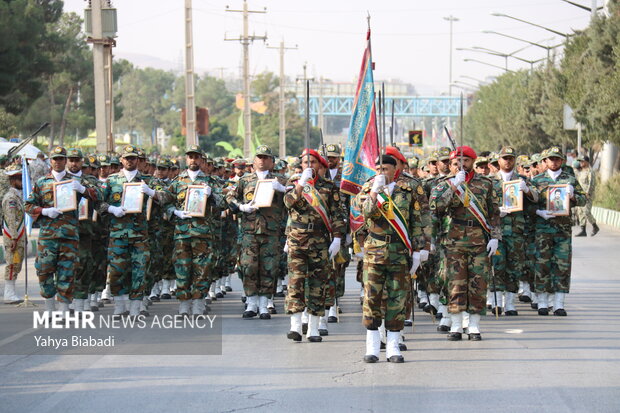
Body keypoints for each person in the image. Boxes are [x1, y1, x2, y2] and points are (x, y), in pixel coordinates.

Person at [355, 155, 426, 363]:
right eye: (378, 168)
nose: (382, 172)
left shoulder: (409, 189)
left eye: (385, 168)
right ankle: (373, 346)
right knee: (371, 299)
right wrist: (375, 190)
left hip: (399, 250)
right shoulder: (369, 187)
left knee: (397, 298)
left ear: (396, 169)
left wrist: (418, 250)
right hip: (374, 250)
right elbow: (365, 213)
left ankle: (394, 345)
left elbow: (417, 221)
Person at [430, 146, 501, 341]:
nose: (461, 165)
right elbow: (436, 207)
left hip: (479, 240)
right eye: (456, 163)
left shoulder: (486, 184)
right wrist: (454, 185)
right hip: (453, 242)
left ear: (473, 162)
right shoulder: (442, 184)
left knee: (478, 283)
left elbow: (494, 213)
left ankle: (474, 325)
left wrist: (495, 237)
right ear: (451, 165)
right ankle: (455, 324)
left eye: (466, 161)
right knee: (455, 284)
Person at [25, 146, 98, 317]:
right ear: (50, 161)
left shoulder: (75, 182)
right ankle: (49, 306)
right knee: (44, 270)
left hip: (69, 235)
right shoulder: (42, 183)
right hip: (48, 236)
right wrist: (43, 211)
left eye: (61, 159)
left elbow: (97, 197)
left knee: (67, 271)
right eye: (55, 159)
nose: (58, 162)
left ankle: (64, 308)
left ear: (65, 161)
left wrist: (82, 190)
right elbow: (27, 205)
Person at [99, 145, 169, 318]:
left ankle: (136, 307)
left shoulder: (147, 180)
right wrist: (111, 209)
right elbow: (98, 203)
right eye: (127, 158)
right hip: (117, 234)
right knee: (116, 270)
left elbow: (168, 197)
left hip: (139, 235)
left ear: (138, 160)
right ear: (121, 160)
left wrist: (151, 192)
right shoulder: (112, 180)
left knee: (139, 270)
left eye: (133, 158)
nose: (130, 161)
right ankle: (120, 305)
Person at [284, 149, 345, 342]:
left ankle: (313, 327)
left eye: (313, 162)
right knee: (296, 281)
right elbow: (288, 203)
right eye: (305, 163)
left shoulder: (328, 186)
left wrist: (337, 238)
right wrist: (301, 183)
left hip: (319, 239)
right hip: (297, 238)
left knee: (318, 283)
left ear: (320, 165)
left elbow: (336, 214)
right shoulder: (293, 183)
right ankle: (295, 325)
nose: (308, 166)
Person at [226, 145, 287, 319]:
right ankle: (251, 302)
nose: (262, 160)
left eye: (266, 157)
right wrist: (241, 207)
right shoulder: (245, 180)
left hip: (271, 232)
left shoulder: (281, 180)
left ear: (272, 162)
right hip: (249, 231)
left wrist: (283, 190)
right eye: (259, 157)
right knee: (249, 266)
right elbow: (229, 197)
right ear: (253, 161)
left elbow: (293, 200)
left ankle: (264, 304)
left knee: (269, 268)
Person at [165, 145, 224, 316]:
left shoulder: (210, 182)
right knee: (182, 269)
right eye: (190, 157)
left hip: (203, 233)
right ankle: (184, 303)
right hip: (182, 233)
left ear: (201, 160)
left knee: (203, 269)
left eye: (196, 157)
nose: (193, 160)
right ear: (186, 159)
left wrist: (212, 194)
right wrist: (174, 212)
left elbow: (223, 204)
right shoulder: (178, 181)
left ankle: (198, 303)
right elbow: (165, 202)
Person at [531, 147, 586, 316]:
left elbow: (583, 199)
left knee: (562, 265)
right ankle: (542, 302)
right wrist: (538, 212)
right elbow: (528, 203)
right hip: (543, 229)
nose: (554, 162)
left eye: (557, 159)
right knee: (542, 264)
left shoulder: (569, 179)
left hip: (562, 229)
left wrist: (572, 196)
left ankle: (558, 303)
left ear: (562, 161)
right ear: (545, 162)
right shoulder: (537, 180)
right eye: (551, 159)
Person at [490, 146, 538, 317]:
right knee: (497, 265)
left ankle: (510, 303)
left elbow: (537, 198)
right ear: (499, 161)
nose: (508, 161)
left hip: (517, 231)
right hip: (497, 231)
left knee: (514, 267)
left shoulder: (522, 179)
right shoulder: (490, 181)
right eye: (505, 158)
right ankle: (496, 302)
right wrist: (496, 211)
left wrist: (526, 190)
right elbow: (484, 204)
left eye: (511, 158)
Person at [2, 164, 25, 304]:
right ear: (13, 180)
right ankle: (8, 293)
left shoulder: (17, 196)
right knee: (12, 264)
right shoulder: (11, 197)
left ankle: (11, 292)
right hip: (13, 236)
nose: (22, 182)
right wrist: (15, 237)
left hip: (18, 236)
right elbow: (11, 218)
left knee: (16, 263)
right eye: (20, 179)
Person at [575, 155, 599, 236]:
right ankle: (583, 230)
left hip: (588, 195)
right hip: (581, 195)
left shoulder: (590, 171)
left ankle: (595, 226)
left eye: (582, 161)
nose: (580, 163)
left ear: (587, 162)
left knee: (586, 211)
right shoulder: (581, 172)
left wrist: (588, 193)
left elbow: (591, 184)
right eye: (580, 161)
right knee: (580, 211)